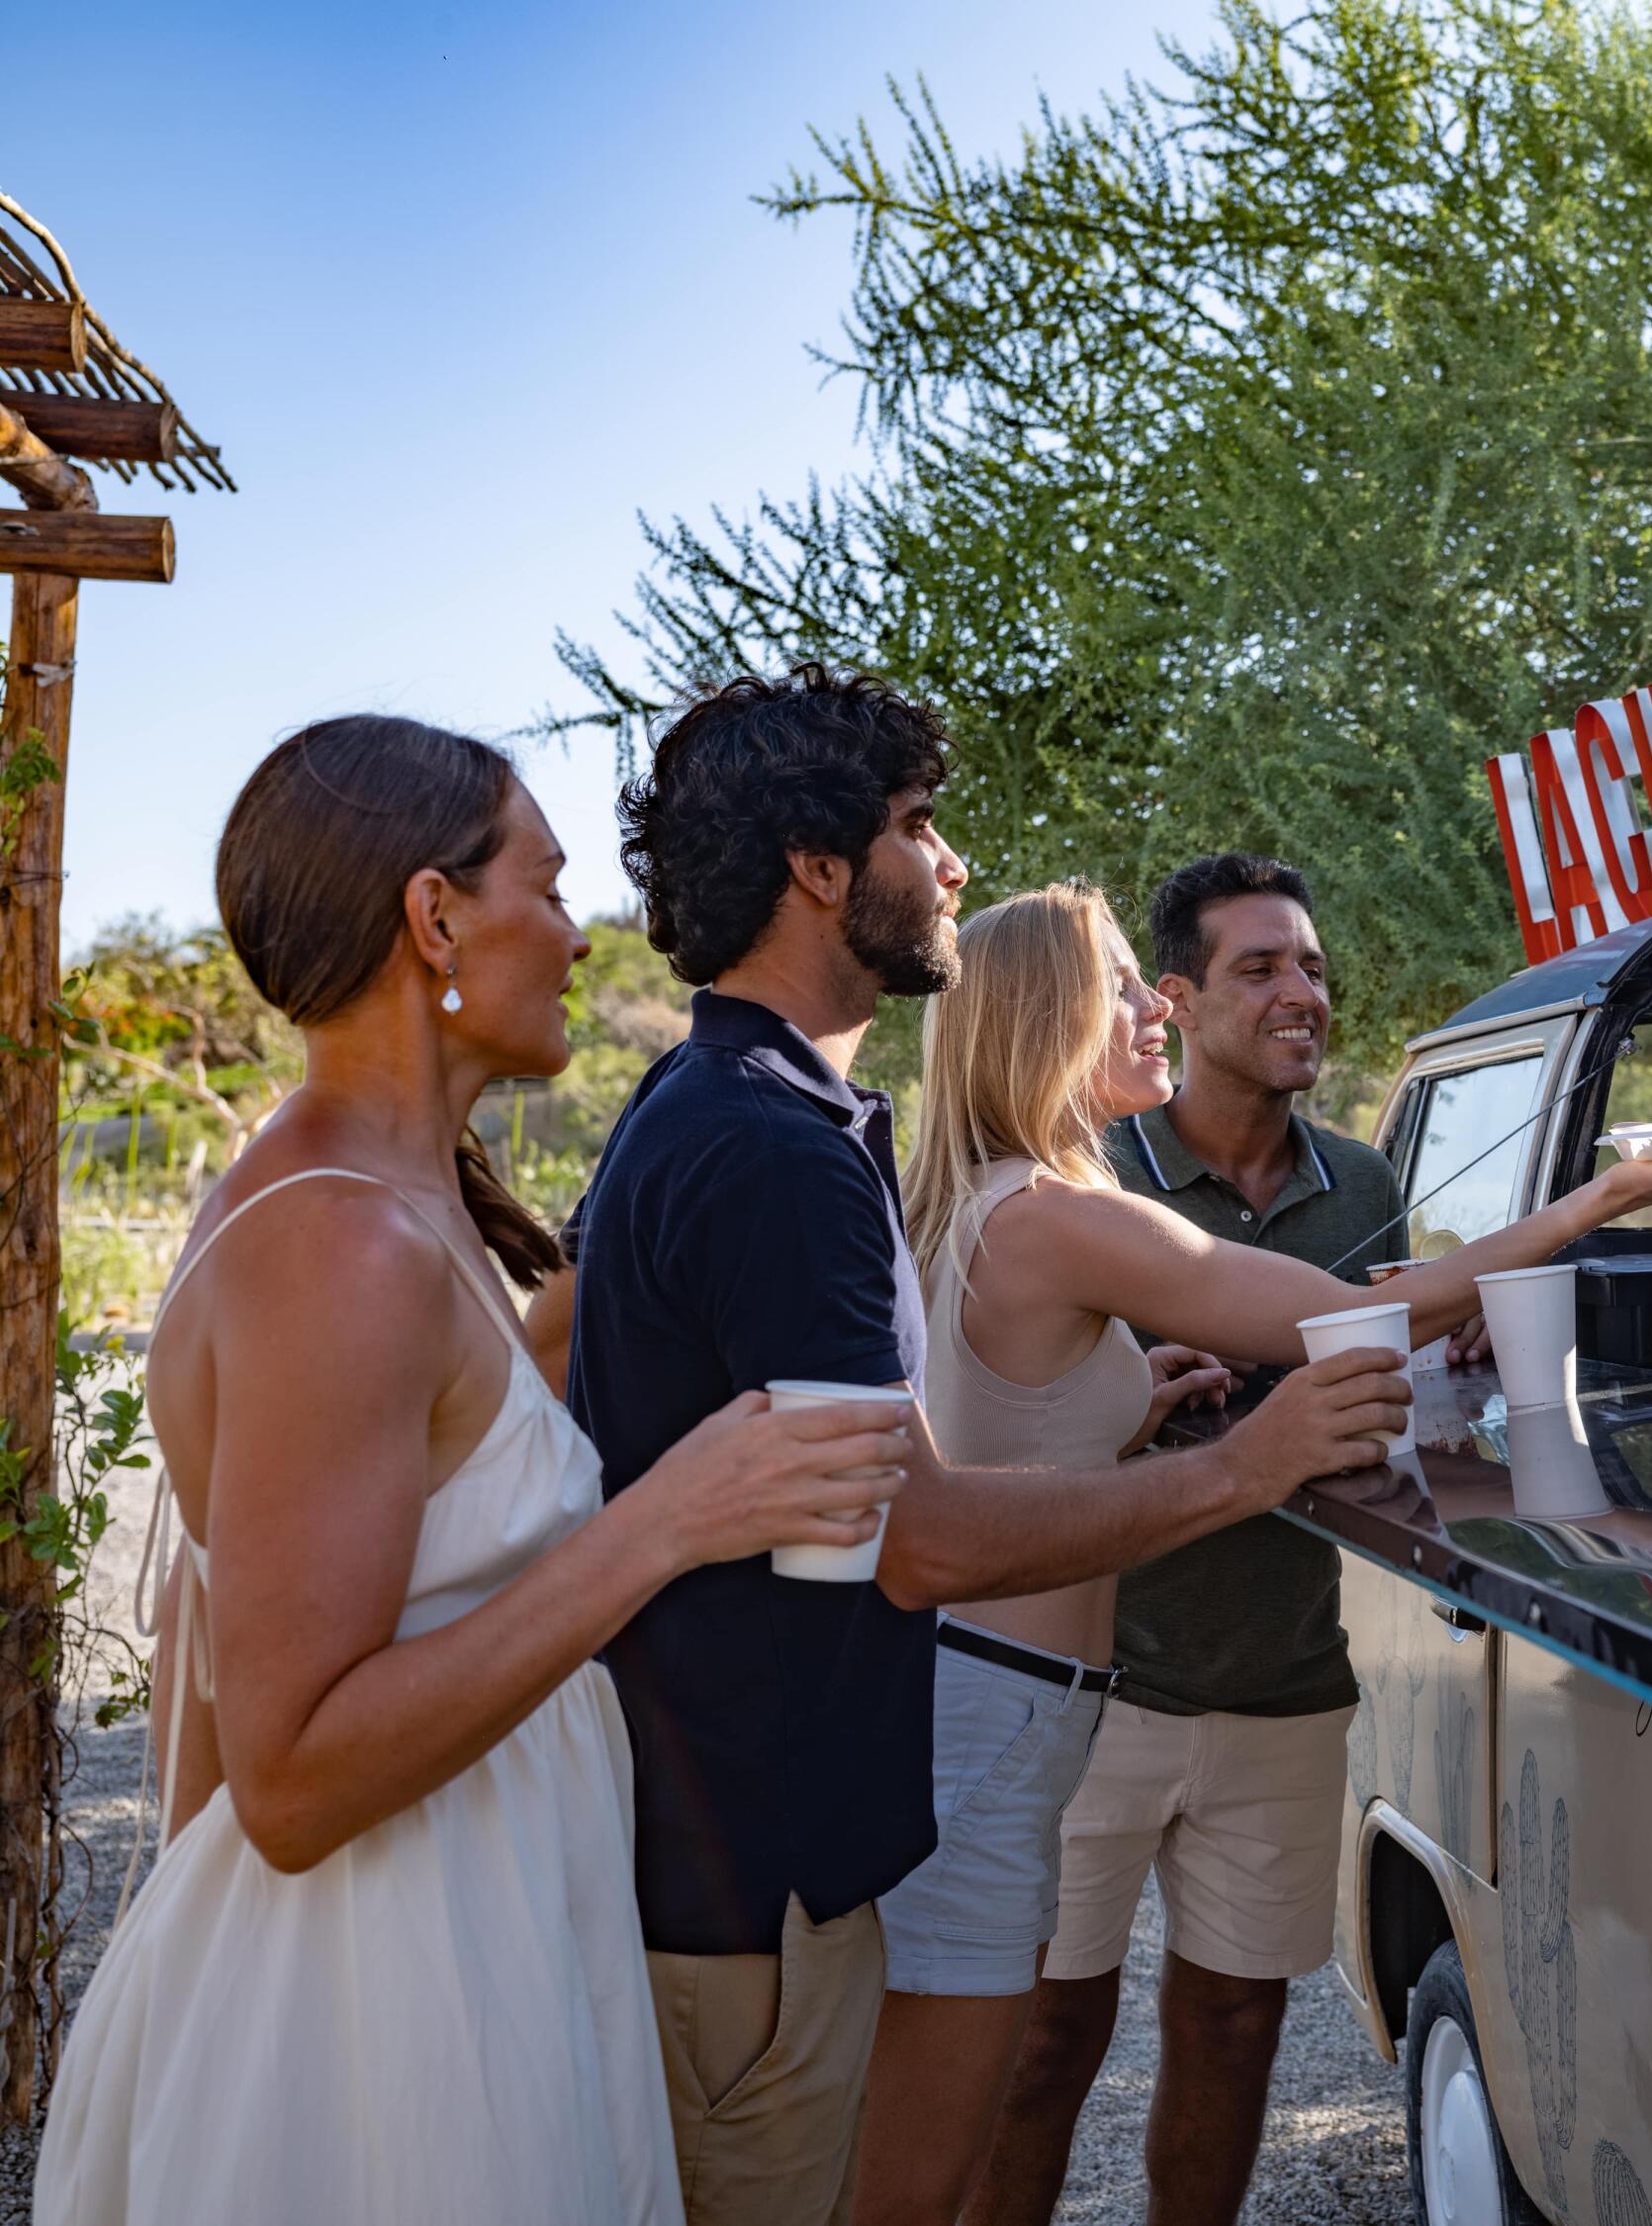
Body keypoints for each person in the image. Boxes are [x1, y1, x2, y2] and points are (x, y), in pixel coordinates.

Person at [541, 673, 1411, 2226]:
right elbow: (918, 1538)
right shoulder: (773, 1144)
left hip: (757, 1854)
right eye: (917, 827)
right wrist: (1240, 1465)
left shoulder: (726, 1100)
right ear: (819, 866)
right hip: (760, 1880)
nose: (950, 866)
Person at [38, 719, 916, 2225]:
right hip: (383, 2011)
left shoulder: (393, 1197)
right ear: (435, 915)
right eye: (550, 887)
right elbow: (296, 1778)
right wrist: (663, 1522)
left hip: (469, 1938)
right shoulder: (343, 1244)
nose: (583, 939)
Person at [865, 876, 1652, 2226]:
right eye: (1125, 983)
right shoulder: (1069, 1209)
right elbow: (1366, 1315)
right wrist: (1630, 1184)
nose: (1147, 1008)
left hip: (1008, 1699)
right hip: (1014, 1714)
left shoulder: (997, 1197)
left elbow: (1022, 1392)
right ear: (1052, 1015)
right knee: (942, 2140)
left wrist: (1135, 1385)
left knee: (961, 2100)